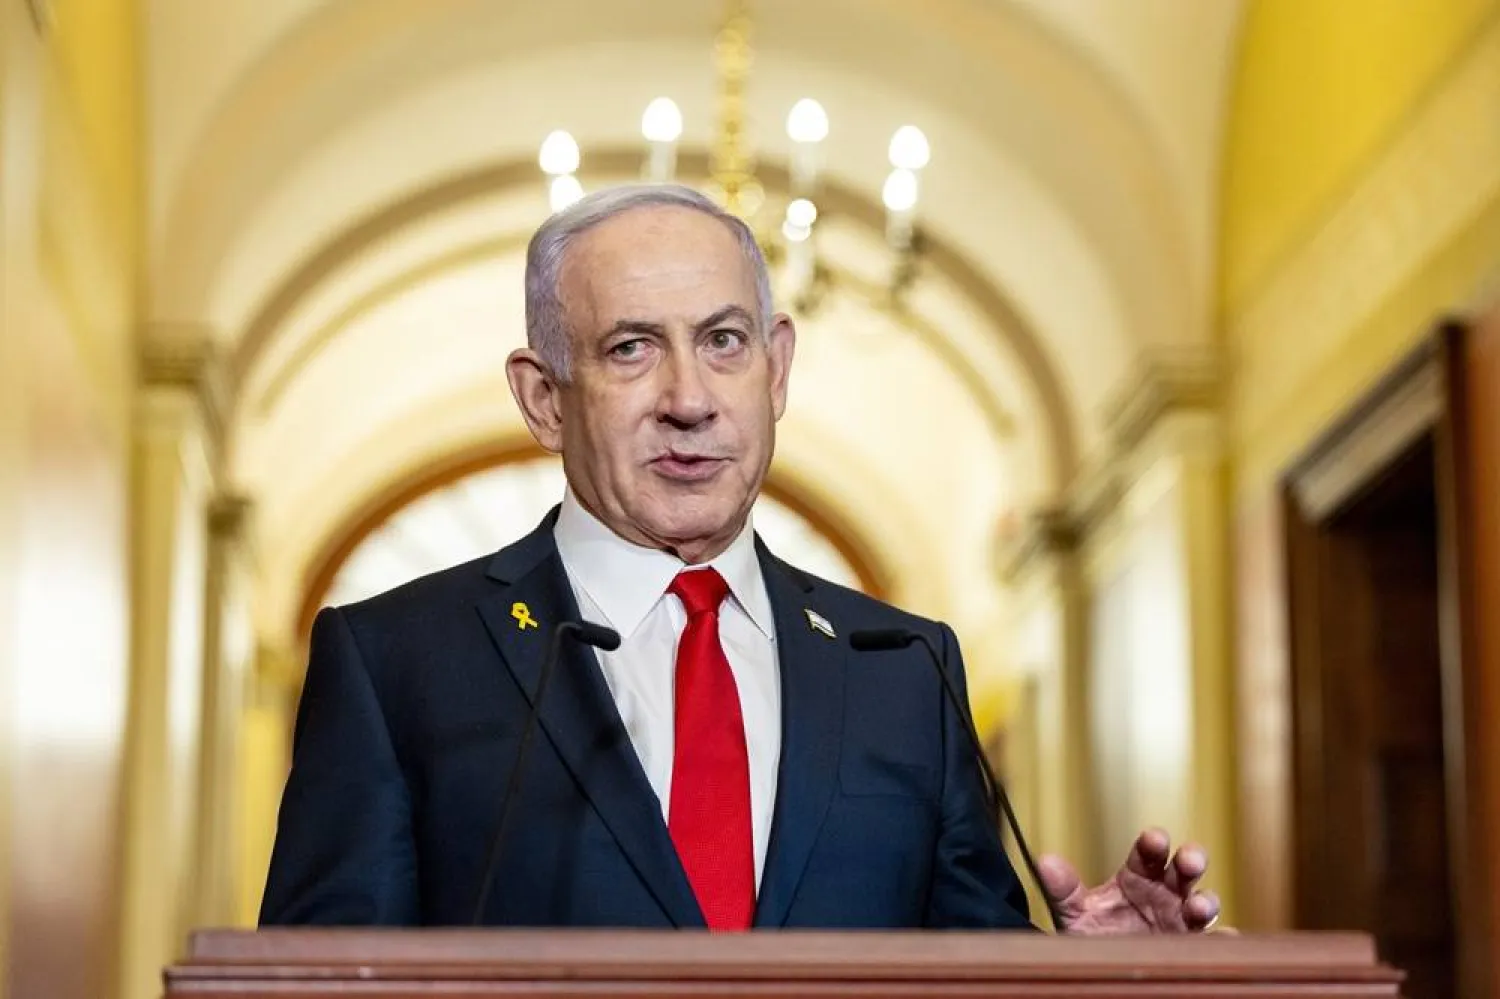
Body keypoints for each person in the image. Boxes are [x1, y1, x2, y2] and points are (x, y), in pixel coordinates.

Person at [259, 183, 1221, 933]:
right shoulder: (396, 662)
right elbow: (318, 983)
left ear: (778, 368)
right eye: (632, 348)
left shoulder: (906, 666)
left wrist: (1091, 982)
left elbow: (968, 977)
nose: (690, 399)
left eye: (724, 341)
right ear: (544, 398)